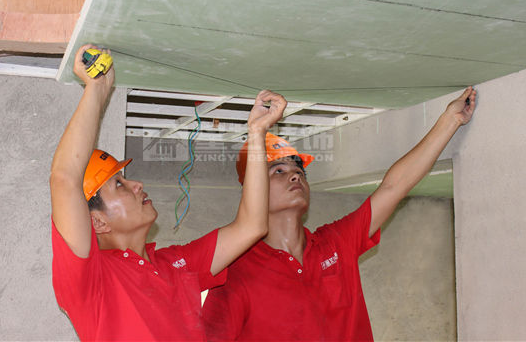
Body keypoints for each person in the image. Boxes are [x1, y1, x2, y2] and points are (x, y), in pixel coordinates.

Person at [49, 43, 287, 341]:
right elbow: (64, 179)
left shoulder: (175, 264)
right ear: (97, 221)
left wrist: (257, 133)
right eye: (119, 184)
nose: (137, 185)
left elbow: (253, 226)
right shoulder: (91, 278)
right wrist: (96, 90)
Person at [202, 87, 477, 341]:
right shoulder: (234, 275)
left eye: (299, 171)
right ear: (254, 187)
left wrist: (450, 120)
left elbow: (394, 187)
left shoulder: (334, 243)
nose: (296, 176)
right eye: (279, 171)